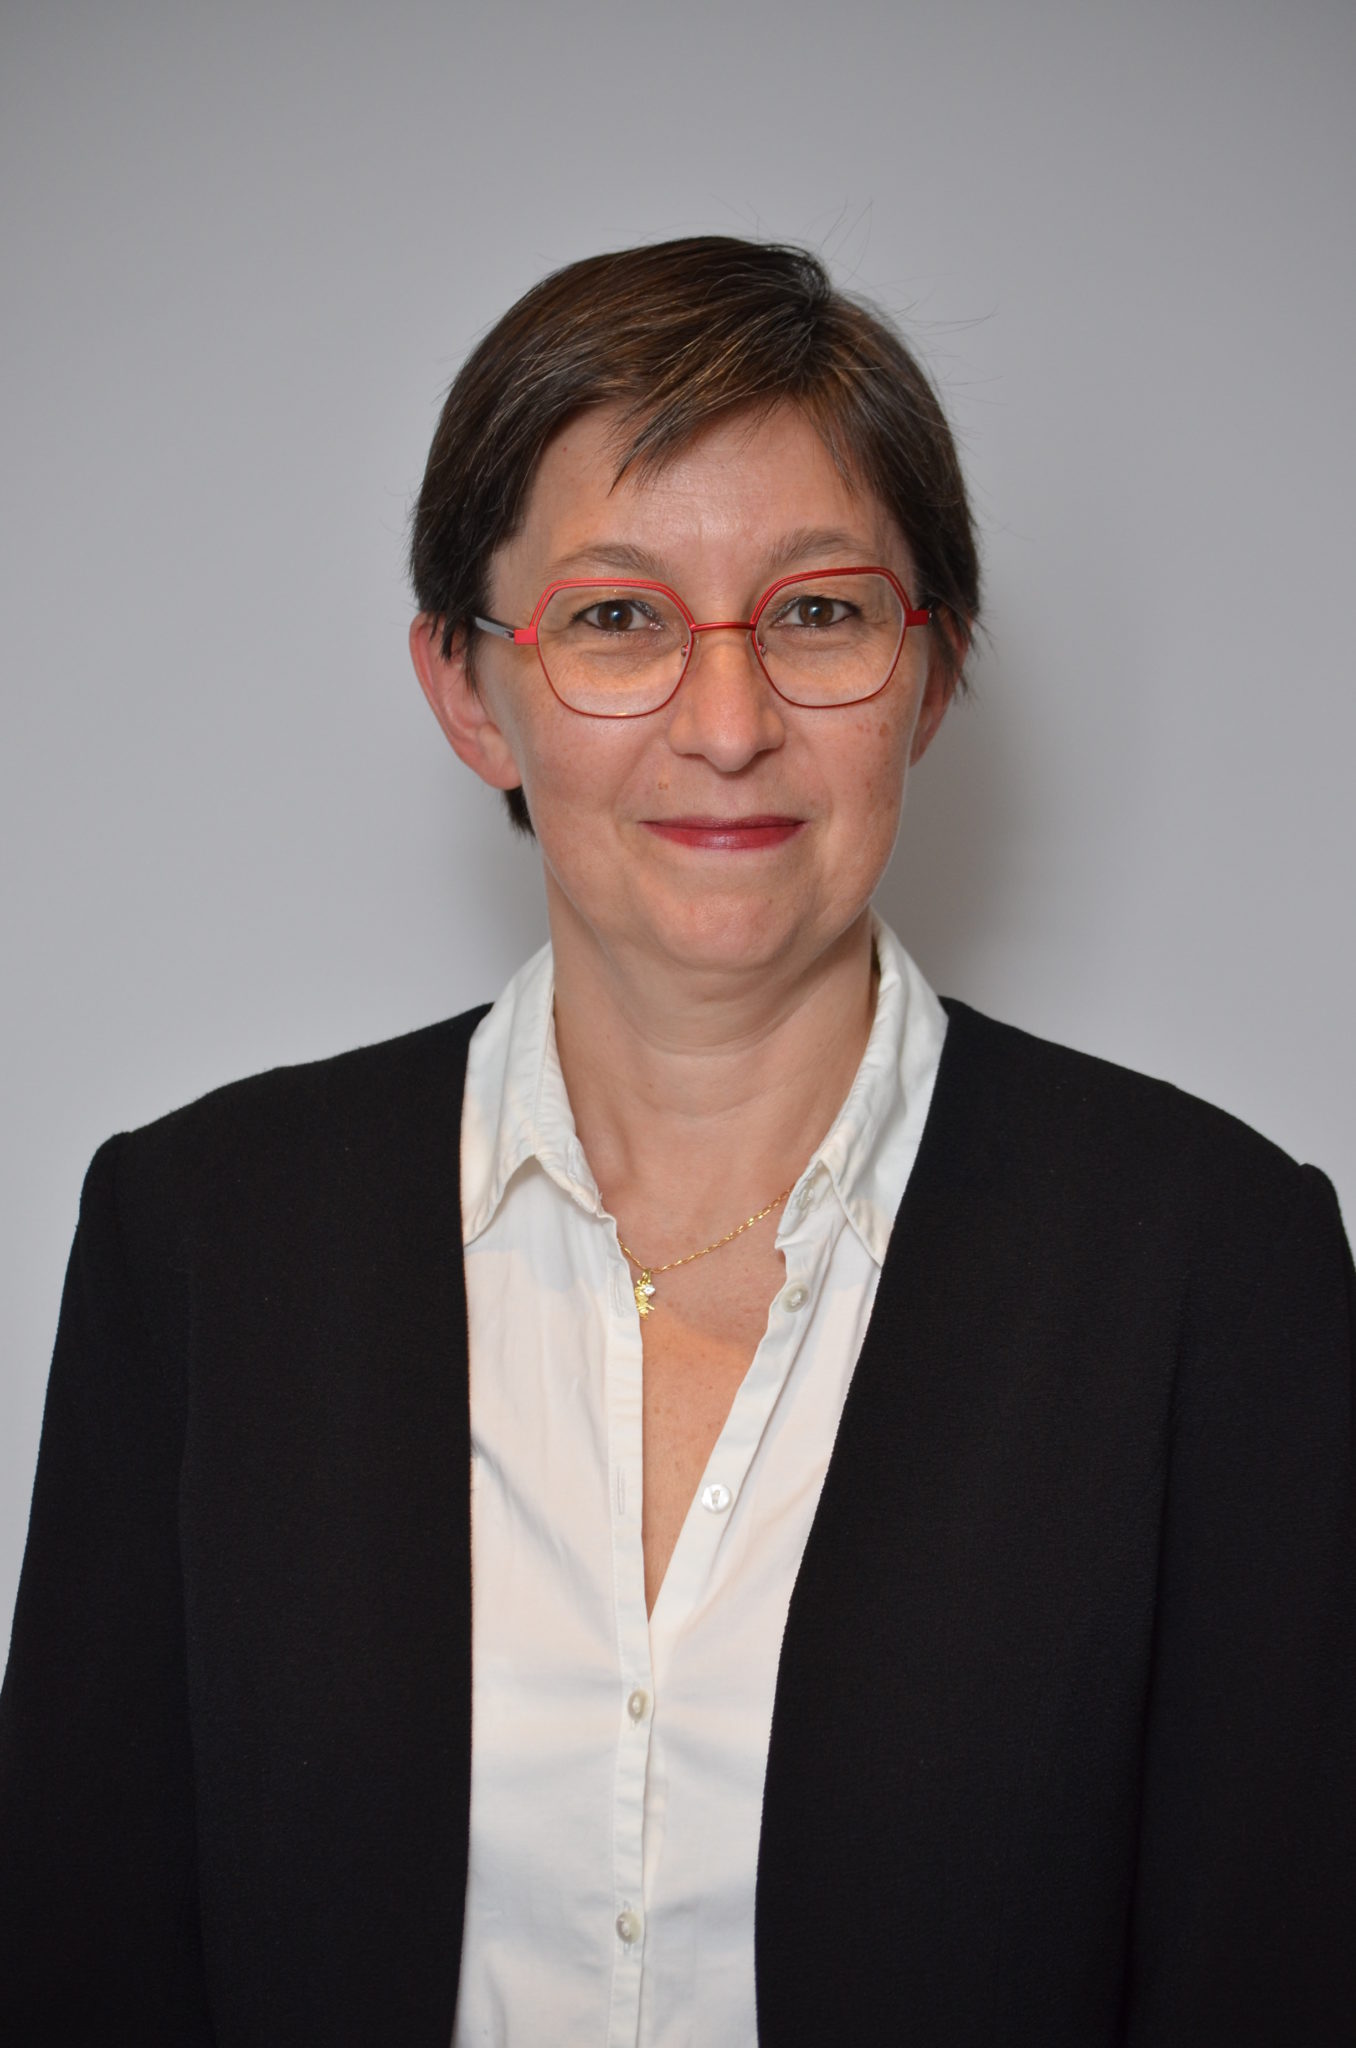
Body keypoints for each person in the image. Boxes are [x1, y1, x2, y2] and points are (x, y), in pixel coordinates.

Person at [0, 236, 1351, 2047]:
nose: (728, 727)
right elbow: (81, 1967)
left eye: (820, 612)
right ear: (468, 687)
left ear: (932, 671)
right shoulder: (198, 1240)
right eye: (619, 619)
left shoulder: (1214, 1265)